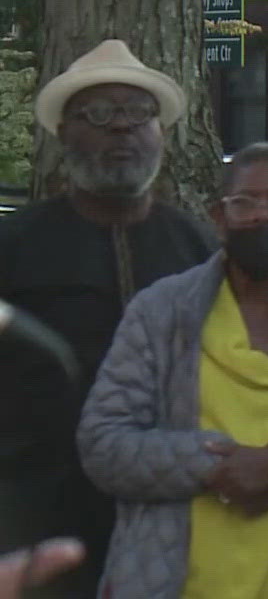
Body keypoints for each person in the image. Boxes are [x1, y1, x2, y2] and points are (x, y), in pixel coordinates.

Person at [76, 141, 268, 597]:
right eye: (244, 204)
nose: (261, 218)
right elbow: (103, 445)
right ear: (219, 218)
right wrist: (215, 465)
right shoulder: (161, 314)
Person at [0, 40, 215, 597]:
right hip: (42, 519)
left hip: (174, 520)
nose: (122, 128)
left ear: (161, 134)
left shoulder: (199, 248)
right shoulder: (15, 246)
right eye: (99, 114)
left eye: (139, 114)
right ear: (64, 133)